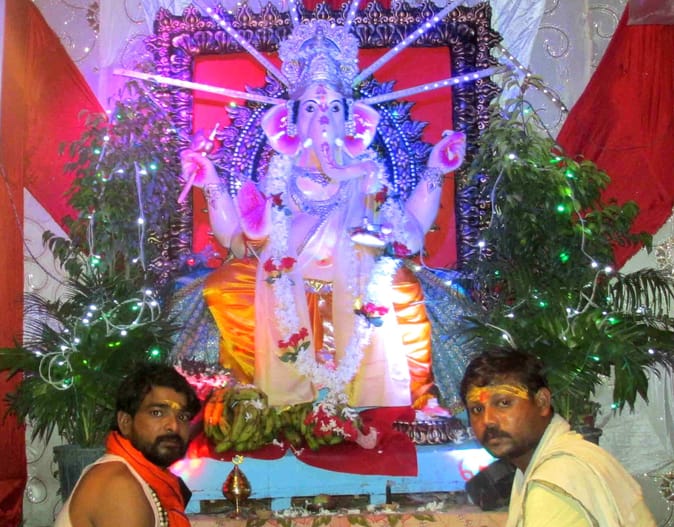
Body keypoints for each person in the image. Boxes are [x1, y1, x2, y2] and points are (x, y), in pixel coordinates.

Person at [179, 19, 466, 409]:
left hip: (357, 283)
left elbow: (411, 236)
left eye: (334, 108)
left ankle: (419, 399)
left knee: (404, 288)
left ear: (353, 121)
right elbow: (238, 243)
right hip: (285, 284)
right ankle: (251, 395)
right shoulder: (280, 178)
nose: (323, 119)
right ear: (289, 122)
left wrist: (435, 170)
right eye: (312, 108)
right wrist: (210, 180)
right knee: (224, 285)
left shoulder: (366, 176)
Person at [459, 347, 656, 527]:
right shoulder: (573, 454)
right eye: (477, 409)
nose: (488, 420)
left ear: (542, 402)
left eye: (504, 403)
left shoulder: (554, 481)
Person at [54, 363, 201, 527]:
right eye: (157, 413)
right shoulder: (118, 485)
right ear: (125, 422)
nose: (173, 426)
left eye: (182, 417)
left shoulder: (149, 478)